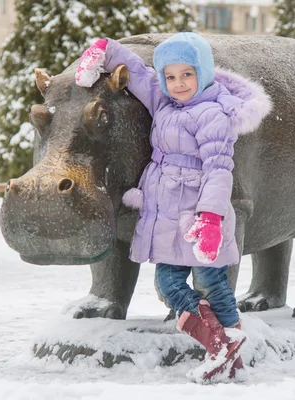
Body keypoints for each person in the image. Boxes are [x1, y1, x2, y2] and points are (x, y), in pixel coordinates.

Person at [75, 33, 251, 383]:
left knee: (210, 283)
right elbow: (139, 74)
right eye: (170, 76)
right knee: (169, 284)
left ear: (203, 72)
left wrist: (211, 218)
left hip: (199, 216)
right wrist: (106, 50)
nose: (178, 84)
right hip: (167, 215)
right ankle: (222, 343)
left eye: (187, 74)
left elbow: (218, 169)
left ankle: (226, 344)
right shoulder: (165, 104)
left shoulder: (213, 113)